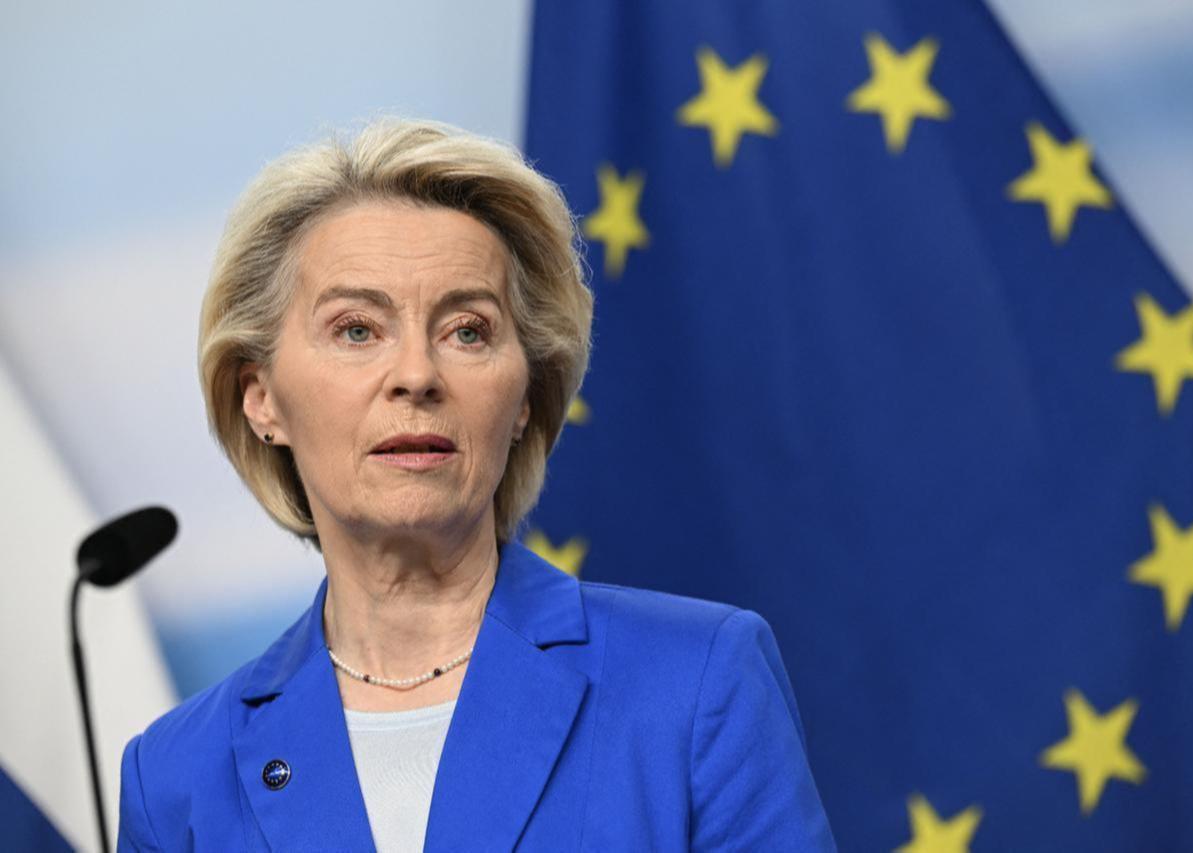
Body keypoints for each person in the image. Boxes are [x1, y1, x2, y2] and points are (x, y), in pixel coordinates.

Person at [117, 117, 837, 852]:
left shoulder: (697, 685)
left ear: (526, 397)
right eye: (357, 329)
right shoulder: (177, 774)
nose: (417, 375)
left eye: (467, 330)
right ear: (261, 397)